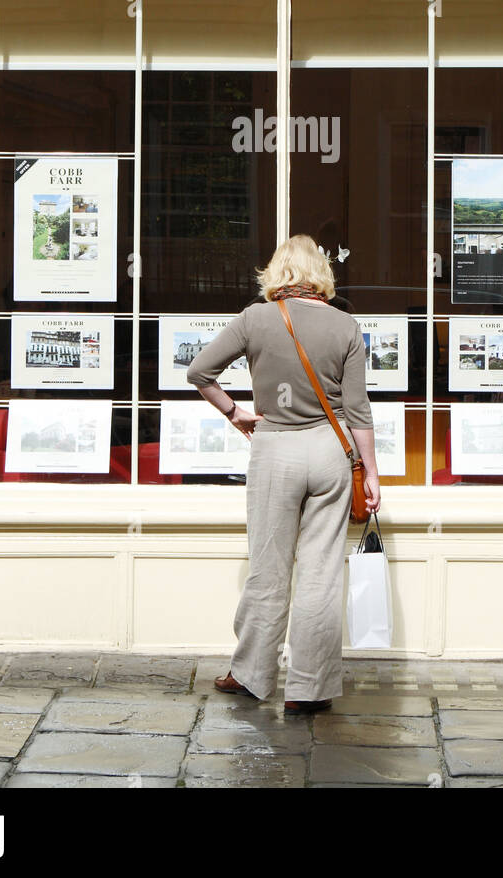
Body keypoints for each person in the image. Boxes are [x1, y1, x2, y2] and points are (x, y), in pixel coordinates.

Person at [186, 234, 380, 715]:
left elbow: (199, 372)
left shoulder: (255, 318)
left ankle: (251, 676)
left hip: (274, 450)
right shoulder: (345, 325)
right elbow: (358, 410)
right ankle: (310, 691)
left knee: (268, 569)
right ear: (320, 274)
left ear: (275, 273)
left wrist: (236, 413)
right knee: (320, 573)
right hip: (331, 453)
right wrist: (372, 473)